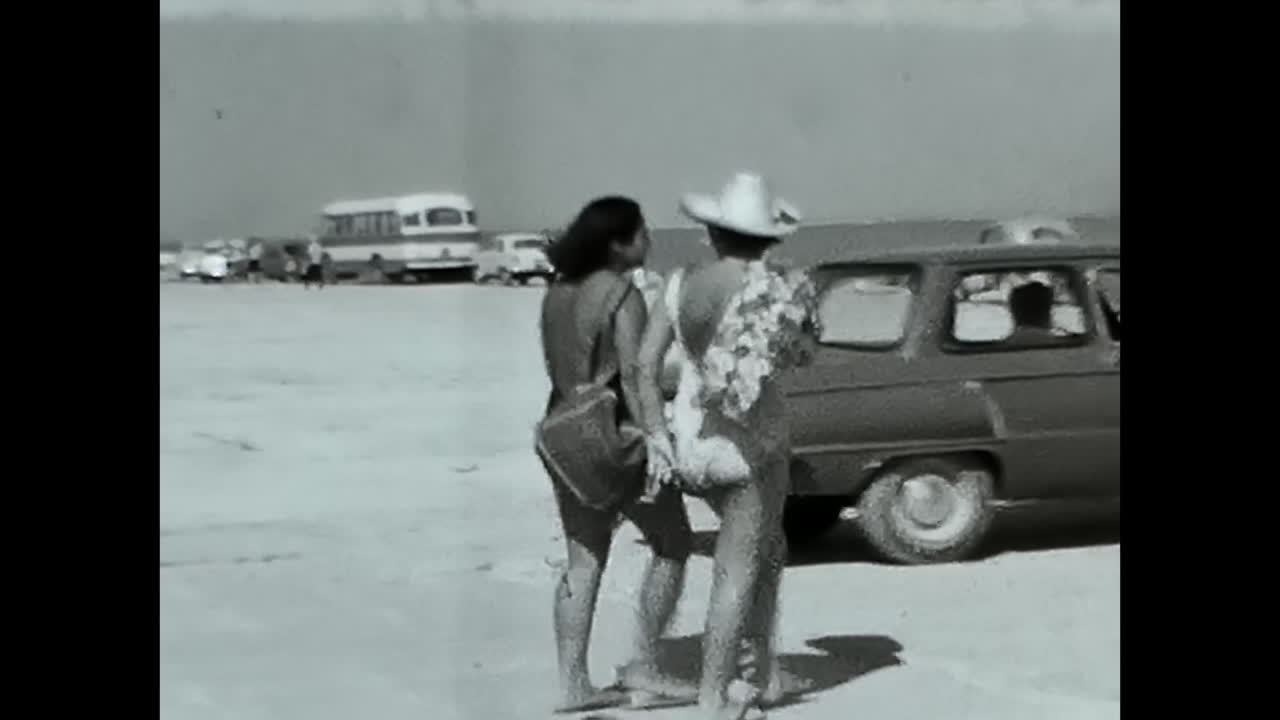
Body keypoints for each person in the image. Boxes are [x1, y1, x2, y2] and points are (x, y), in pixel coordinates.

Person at [637, 172, 820, 720]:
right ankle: (718, 696)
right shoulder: (777, 288)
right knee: (741, 569)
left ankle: (759, 676)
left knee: (762, 554)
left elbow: (644, 367)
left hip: (690, 440)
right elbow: (802, 357)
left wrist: (656, 436)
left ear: (714, 232)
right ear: (768, 238)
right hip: (752, 446)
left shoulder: (680, 281)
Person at [537, 196, 694, 714]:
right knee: (673, 542)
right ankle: (646, 667)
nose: (648, 239)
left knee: (583, 561)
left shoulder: (557, 293)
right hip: (614, 434)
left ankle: (573, 685)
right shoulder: (623, 294)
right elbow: (634, 373)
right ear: (618, 242)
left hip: (562, 433)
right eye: (641, 232)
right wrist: (657, 438)